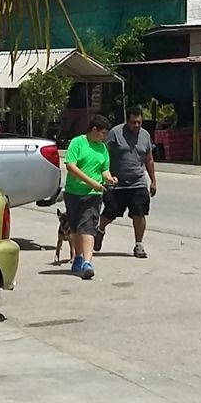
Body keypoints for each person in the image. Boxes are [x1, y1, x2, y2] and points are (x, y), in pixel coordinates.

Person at [60, 113, 116, 280]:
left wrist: (109, 178)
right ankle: (78, 257)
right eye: (103, 133)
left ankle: (87, 262)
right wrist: (90, 181)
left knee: (88, 227)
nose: (105, 136)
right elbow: (70, 166)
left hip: (93, 194)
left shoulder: (103, 148)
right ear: (94, 129)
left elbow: (104, 169)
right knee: (76, 227)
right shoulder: (78, 143)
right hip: (73, 192)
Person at [99, 109, 157, 258]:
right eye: (133, 123)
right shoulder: (115, 133)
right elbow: (103, 153)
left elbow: (149, 159)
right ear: (127, 121)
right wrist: (104, 175)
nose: (137, 125)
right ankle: (99, 231)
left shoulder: (145, 135)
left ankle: (139, 244)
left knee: (139, 212)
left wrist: (153, 181)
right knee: (111, 211)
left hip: (138, 182)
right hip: (116, 182)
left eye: (139, 122)